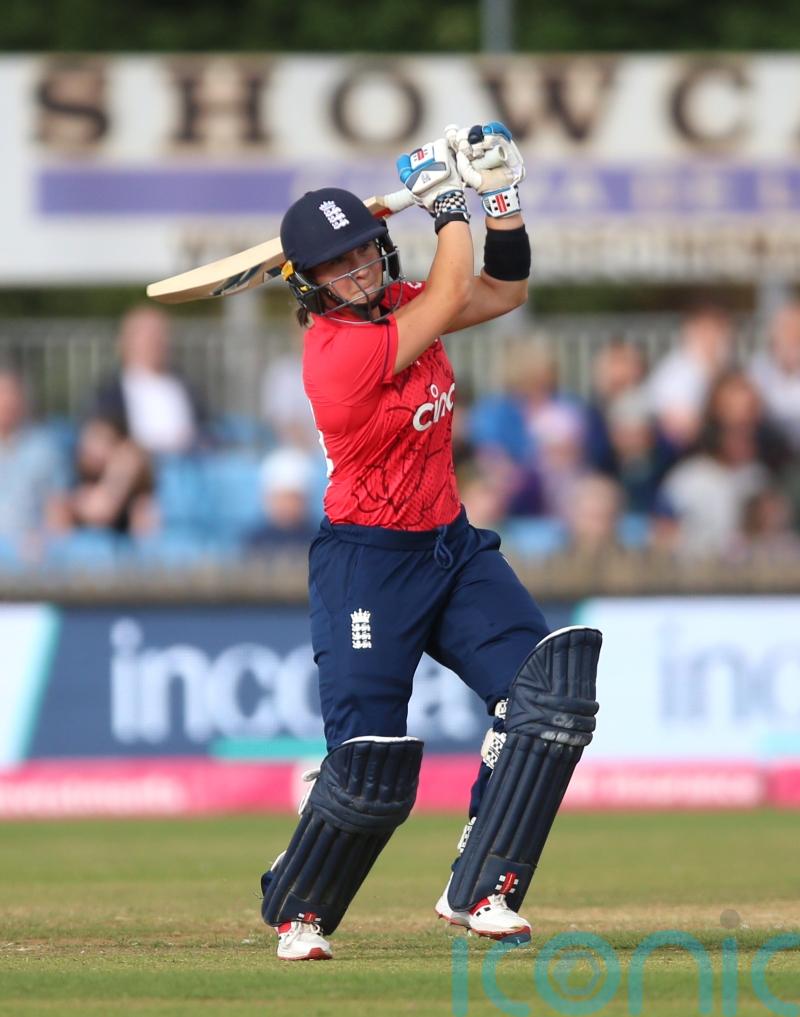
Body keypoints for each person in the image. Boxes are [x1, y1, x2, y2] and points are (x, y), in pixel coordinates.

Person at [257, 124, 602, 962]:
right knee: (373, 768)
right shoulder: (335, 354)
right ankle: (298, 902)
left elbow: (502, 290)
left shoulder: (407, 301)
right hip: (367, 563)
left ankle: (482, 887)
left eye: (367, 252)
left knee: (549, 697)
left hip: (449, 546)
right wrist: (450, 201)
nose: (363, 270)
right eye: (340, 265)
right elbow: (449, 297)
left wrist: (502, 202)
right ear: (310, 285)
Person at [92, 306, 205, 455]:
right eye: (148, 335)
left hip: (191, 460)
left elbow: (206, 425)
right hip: (138, 462)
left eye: (161, 334)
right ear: (126, 341)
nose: (156, 342)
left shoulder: (185, 385)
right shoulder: (110, 392)